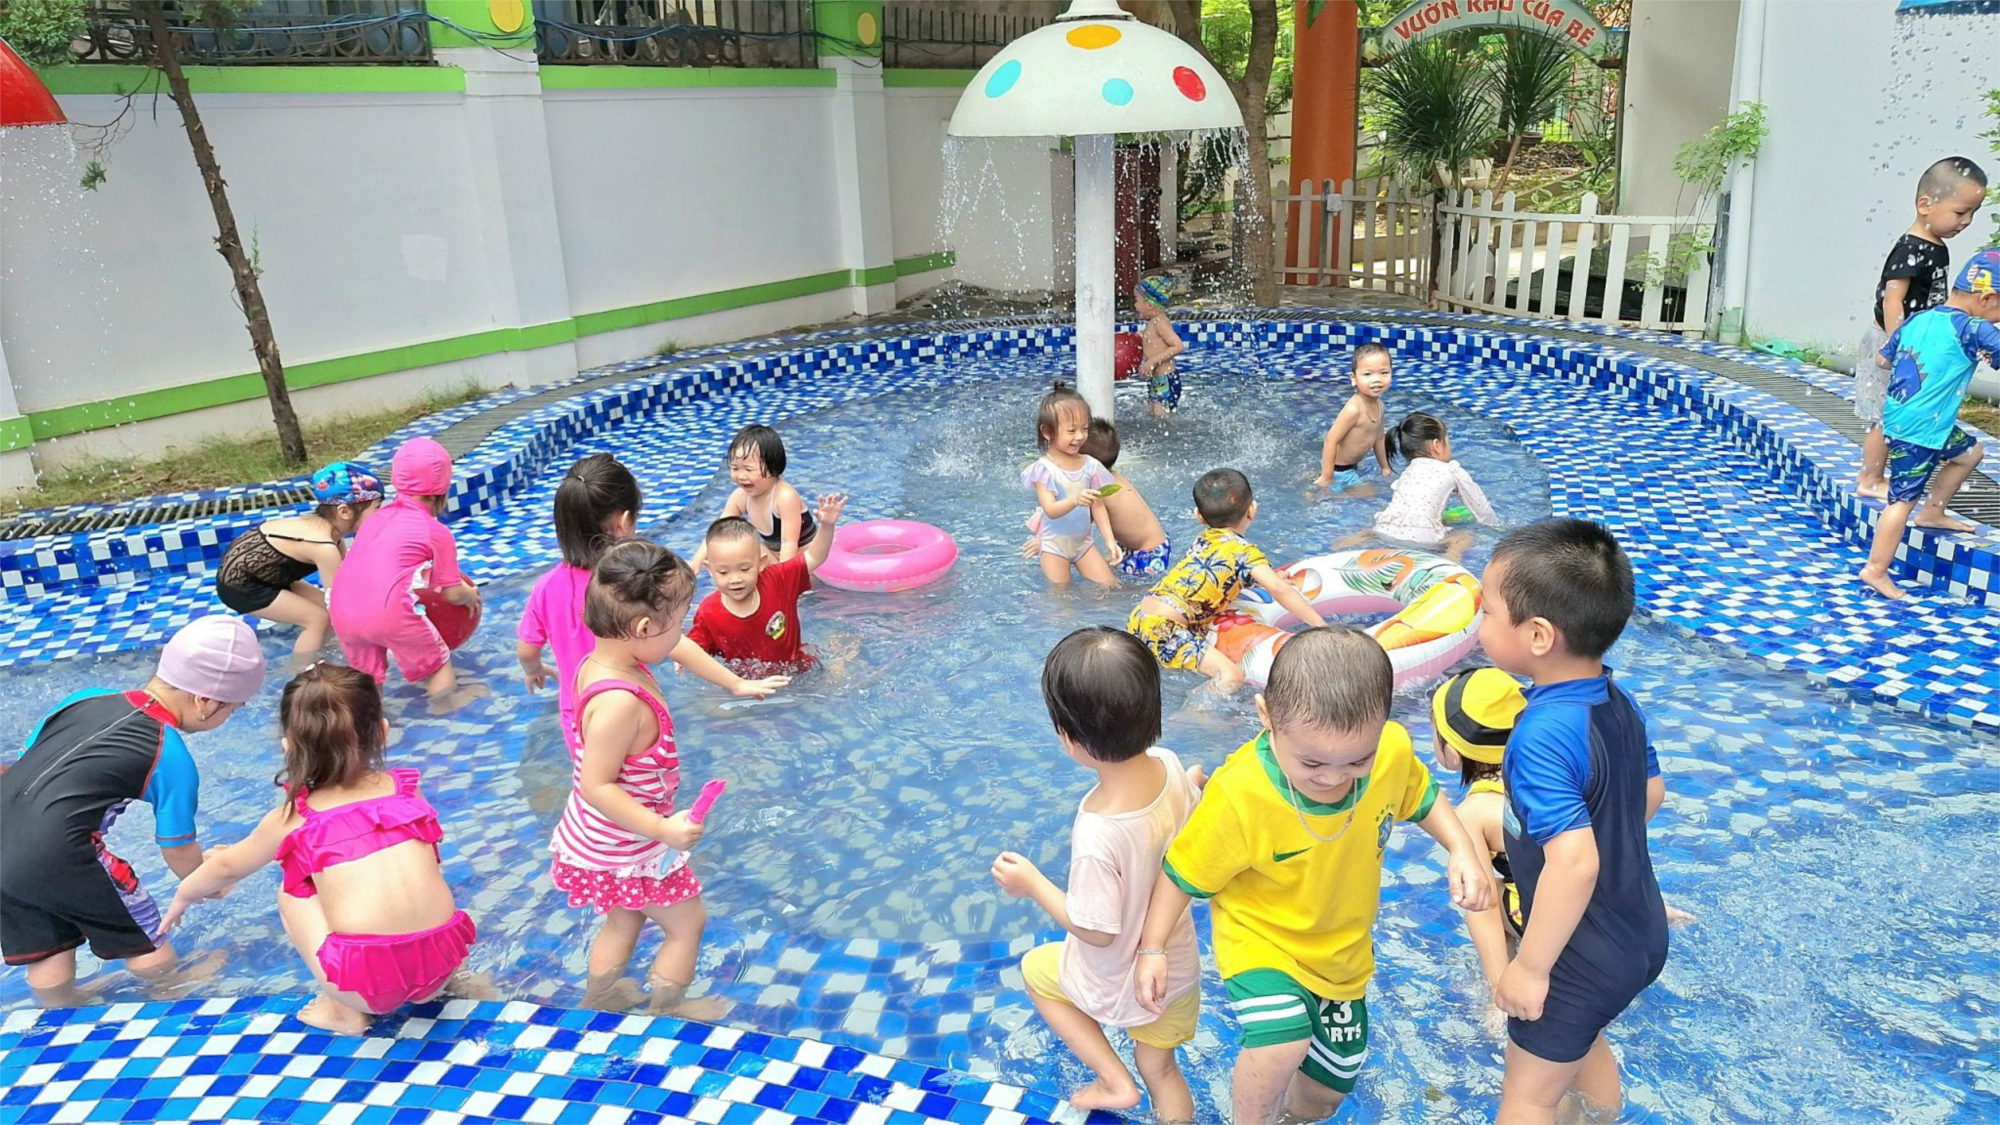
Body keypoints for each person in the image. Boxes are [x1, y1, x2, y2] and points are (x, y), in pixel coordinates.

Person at [1131, 627, 1493, 1125]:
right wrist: (1152, 948)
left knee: (1324, 1096)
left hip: (1342, 955)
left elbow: (1422, 797)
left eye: (1357, 761)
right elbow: (1181, 874)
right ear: (1266, 718)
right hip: (1262, 941)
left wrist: (1462, 849)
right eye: (1312, 762)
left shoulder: (1390, 750)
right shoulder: (1241, 794)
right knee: (1281, 1043)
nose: (1333, 777)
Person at [161, 664, 476, 1035]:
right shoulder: (406, 791)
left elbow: (227, 868)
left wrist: (183, 895)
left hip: (366, 990)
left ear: (288, 748)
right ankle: (457, 980)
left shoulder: (295, 817)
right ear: (382, 732)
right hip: (442, 967)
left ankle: (343, 1012)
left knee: (292, 891)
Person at [1478, 519, 1668, 1125]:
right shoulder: (1615, 701)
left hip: (1577, 953)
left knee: (1529, 1097)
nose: (1478, 623)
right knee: (1583, 1039)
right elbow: (1650, 793)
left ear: (1537, 635)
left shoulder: (1541, 734)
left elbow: (1576, 862)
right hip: (1639, 930)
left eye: (1486, 611)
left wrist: (1530, 967)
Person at [990, 628, 1204, 1120]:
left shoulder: (1098, 830)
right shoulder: (1171, 765)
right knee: (1162, 1070)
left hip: (1117, 980)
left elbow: (1097, 930)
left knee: (1038, 971)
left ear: (1069, 738)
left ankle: (1113, 1081)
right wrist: (1193, 783)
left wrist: (1033, 885)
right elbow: (1187, 827)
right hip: (1174, 973)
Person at [0, 616, 265, 1005]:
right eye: (233, 710)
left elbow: (28, 760)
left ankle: (59, 1005)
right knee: (144, 934)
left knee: (46, 947)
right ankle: (171, 987)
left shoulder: (85, 697)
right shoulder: (169, 753)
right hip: (63, 852)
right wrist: (209, 880)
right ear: (206, 702)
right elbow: (176, 847)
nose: (228, 718)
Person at [1430, 668, 1698, 1040]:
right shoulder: (1560, 765)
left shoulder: (1474, 813)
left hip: (1554, 919)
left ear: (1454, 752)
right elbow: (1638, 807)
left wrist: (1498, 987)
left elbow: (1483, 905)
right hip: (1618, 904)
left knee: (1478, 893)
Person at [551, 539, 724, 1018]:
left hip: (601, 835)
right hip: (629, 843)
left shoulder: (601, 661)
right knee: (687, 925)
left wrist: (733, 682)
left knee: (623, 921)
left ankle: (598, 1000)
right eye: (680, 622)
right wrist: (662, 830)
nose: (682, 633)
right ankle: (667, 1011)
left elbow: (672, 644)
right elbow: (596, 784)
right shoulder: (620, 703)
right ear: (644, 628)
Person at [518, 455, 787, 734]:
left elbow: (527, 649)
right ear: (624, 522)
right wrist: (735, 682)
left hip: (577, 717)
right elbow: (675, 643)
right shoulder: (628, 584)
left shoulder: (545, 586)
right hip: (630, 710)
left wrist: (534, 670)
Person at [1859, 248, 2000, 600]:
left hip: (1905, 418)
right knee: (1901, 501)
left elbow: (1883, 360)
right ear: (1987, 298)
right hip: (1920, 431)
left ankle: (1933, 513)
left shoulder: (1919, 319)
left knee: (1970, 453)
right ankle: (1875, 569)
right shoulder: (1974, 329)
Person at [1125, 468, 1330, 691]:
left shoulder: (1204, 539)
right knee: (1232, 676)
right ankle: (1194, 711)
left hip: (1140, 616)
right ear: (1252, 510)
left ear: (1199, 516)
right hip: (1165, 629)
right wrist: (1322, 627)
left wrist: (1267, 577)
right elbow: (1279, 589)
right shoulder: (1245, 552)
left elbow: (1219, 575)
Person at [1856, 158, 1989, 500]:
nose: (1967, 221)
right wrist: (1898, 343)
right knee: (1885, 414)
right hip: (1891, 341)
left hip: (1913, 345)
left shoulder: (1936, 247)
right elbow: (1892, 299)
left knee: (1903, 411)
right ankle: (1870, 478)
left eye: (1972, 213)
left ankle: (1891, 471)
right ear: (1925, 205)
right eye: (1961, 212)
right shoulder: (1910, 249)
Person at [329, 437, 484, 707]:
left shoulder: (373, 520)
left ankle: (372, 721)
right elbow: (452, 594)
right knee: (437, 663)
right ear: (442, 492)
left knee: (367, 680)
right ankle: (445, 705)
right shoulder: (435, 531)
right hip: (389, 614)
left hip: (341, 610)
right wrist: (470, 595)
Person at [214, 461, 382, 663]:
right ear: (344, 512)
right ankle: (302, 672)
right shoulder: (323, 546)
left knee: (325, 612)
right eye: (377, 508)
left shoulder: (327, 529)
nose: (381, 514)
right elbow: (340, 603)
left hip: (268, 574)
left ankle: (318, 649)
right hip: (241, 586)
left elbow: (349, 579)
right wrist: (378, 640)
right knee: (318, 619)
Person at [687, 492, 847, 672]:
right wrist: (685, 659)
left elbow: (815, 557)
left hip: (798, 670)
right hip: (748, 685)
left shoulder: (777, 580)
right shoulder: (709, 612)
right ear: (710, 569)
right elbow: (695, 649)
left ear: (761, 563)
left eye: (745, 569)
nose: (735, 579)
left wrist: (827, 526)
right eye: (723, 572)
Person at [1022, 419, 1173, 579]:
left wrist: (1045, 542)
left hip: (1148, 555)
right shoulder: (1112, 477)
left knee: (1118, 589)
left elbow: (1072, 527)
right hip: (1155, 545)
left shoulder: (1099, 489)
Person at [1023, 381, 1123, 587]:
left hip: (1083, 544)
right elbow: (1050, 510)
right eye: (1071, 431)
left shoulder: (1090, 465)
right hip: (1054, 546)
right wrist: (1075, 499)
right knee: (1060, 598)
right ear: (1047, 432)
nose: (1079, 436)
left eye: (1084, 429)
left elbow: (1098, 505)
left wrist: (1109, 541)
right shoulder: (1044, 469)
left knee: (1110, 588)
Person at [1370, 411, 1500, 559]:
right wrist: (1497, 527)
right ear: (1436, 445)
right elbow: (1481, 508)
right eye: (1448, 441)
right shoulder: (1452, 470)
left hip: (1384, 531)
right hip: (1423, 537)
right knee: (1464, 536)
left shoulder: (1408, 472)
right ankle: (1452, 558)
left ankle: (1359, 538)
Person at [688, 425, 815, 570]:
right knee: (738, 545)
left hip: (805, 559)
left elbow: (789, 543)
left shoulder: (784, 497)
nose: (741, 476)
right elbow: (717, 534)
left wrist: (783, 578)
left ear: (773, 468)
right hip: (773, 558)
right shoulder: (740, 498)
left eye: (749, 469)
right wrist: (696, 563)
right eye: (735, 468)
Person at [1312, 344, 1395, 490]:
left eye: (1384, 373)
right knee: (1370, 493)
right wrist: (1327, 476)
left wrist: (1385, 467)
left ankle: (1314, 481)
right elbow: (1331, 440)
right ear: (1354, 378)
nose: (1377, 379)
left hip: (1352, 466)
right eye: (1367, 374)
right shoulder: (1353, 409)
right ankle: (1319, 489)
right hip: (1338, 470)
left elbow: (1379, 438)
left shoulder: (1380, 406)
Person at [1135, 276, 1187, 418]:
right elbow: (1154, 342)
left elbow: (1178, 346)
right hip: (1158, 379)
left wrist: (1152, 361)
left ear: (1149, 305)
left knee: (1162, 419)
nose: (1135, 305)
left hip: (1166, 379)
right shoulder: (1153, 322)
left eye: (1137, 300)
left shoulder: (1160, 322)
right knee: (1154, 415)